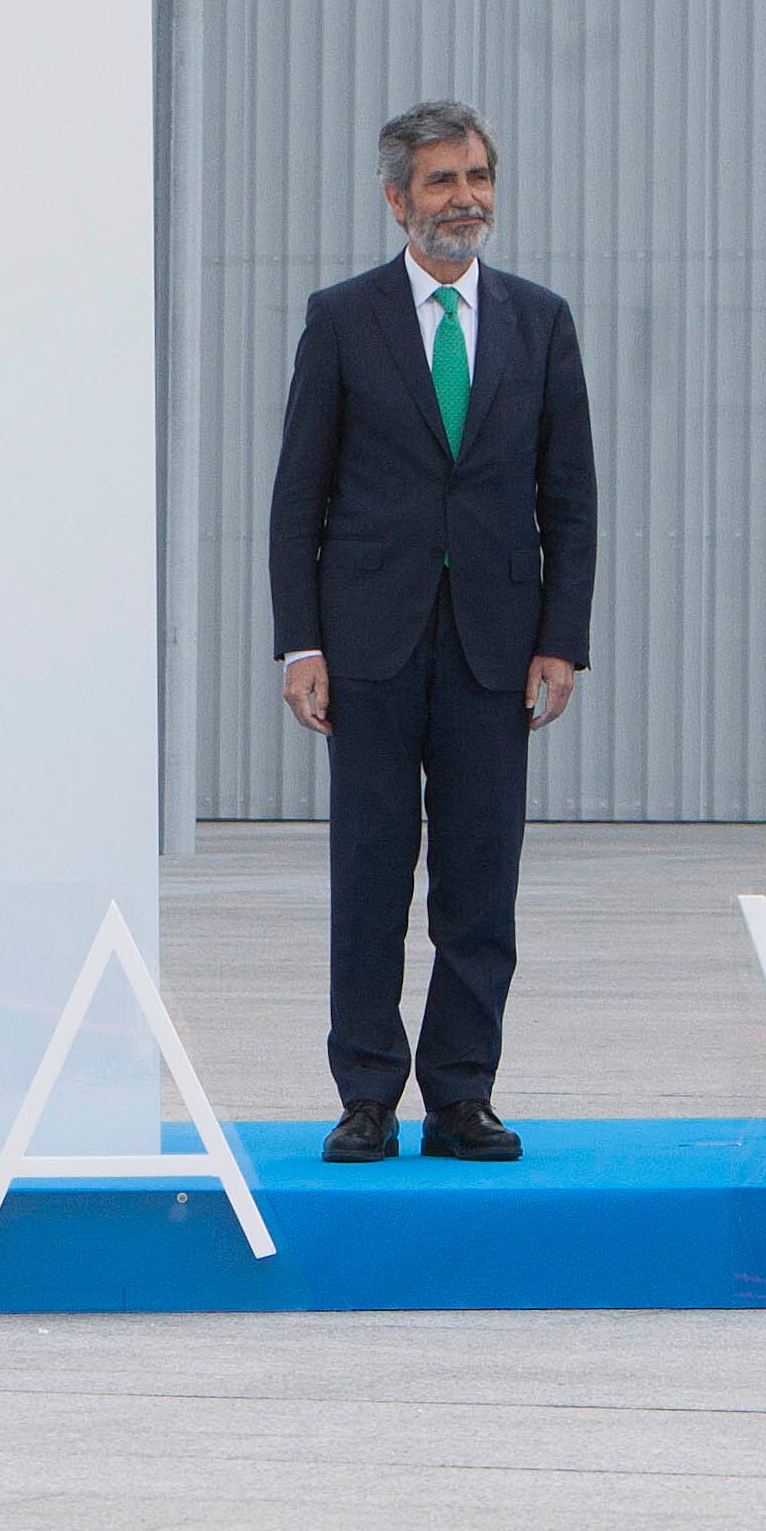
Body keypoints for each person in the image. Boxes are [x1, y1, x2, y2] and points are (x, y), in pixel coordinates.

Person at [267, 100, 598, 1165]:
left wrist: (562, 638)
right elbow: (296, 497)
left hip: (493, 648)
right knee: (368, 873)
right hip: (368, 642)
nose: (465, 199)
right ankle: (365, 1091)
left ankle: (461, 1095)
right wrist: (299, 642)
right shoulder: (342, 317)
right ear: (395, 197)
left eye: (479, 178)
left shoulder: (538, 321)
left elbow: (571, 499)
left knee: (478, 878)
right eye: (444, 180)